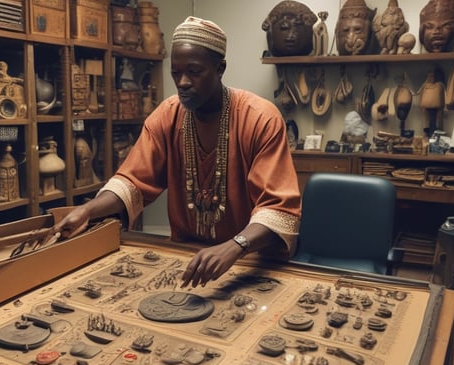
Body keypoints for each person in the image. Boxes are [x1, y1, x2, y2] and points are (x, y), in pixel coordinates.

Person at [52, 16, 301, 288]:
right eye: (176, 73)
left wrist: (235, 246)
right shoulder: (167, 115)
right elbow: (131, 182)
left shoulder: (260, 118)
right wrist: (87, 211)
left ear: (220, 68)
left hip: (249, 258)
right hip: (187, 256)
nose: (182, 82)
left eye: (194, 72)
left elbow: (279, 209)